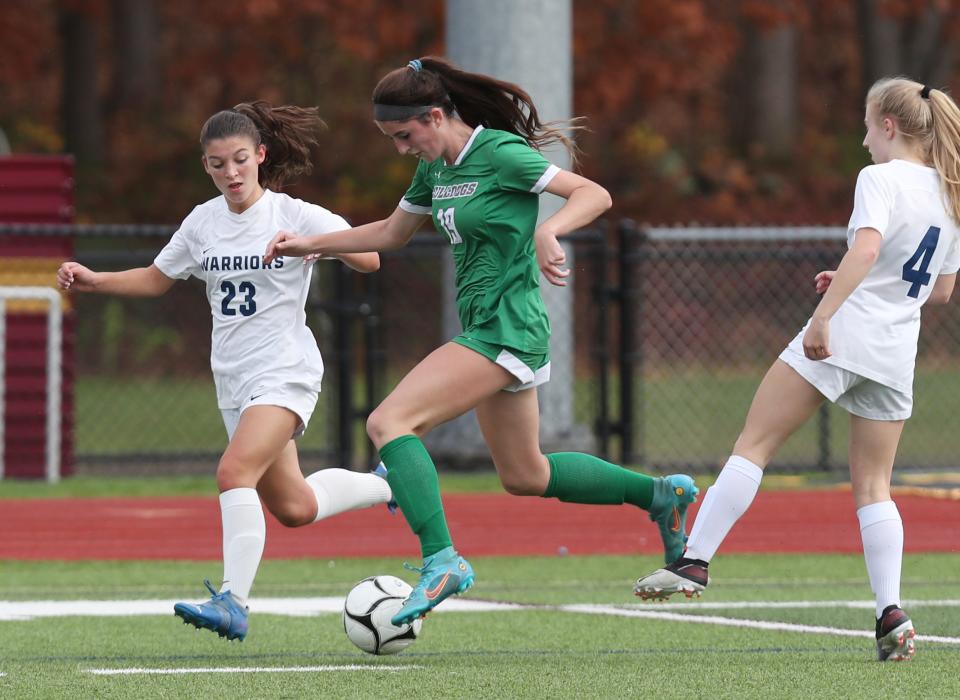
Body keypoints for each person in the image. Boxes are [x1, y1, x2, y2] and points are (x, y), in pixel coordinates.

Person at [263, 56, 699, 626]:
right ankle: (661, 496)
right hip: (488, 328)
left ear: (436, 115)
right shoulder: (435, 169)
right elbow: (391, 234)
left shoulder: (498, 153)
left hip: (508, 325)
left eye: (404, 135)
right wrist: (309, 245)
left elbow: (593, 195)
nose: (400, 149)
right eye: (391, 139)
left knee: (388, 423)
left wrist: (549, 229)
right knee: (526, 475)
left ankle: (442, 559)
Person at [635, 77, 960, 662]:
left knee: (753, 444)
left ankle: (694, 562)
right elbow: (938, 292)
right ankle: (890, 611)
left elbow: (865, 249)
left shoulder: (879, 178)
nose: (863, 141)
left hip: (846, 333)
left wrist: (823, 315)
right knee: (874, 487)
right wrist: (857, 284)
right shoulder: (949, 191)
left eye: (866, 126)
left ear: (889, 126)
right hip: (895, 352)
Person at [56, 102, 395, 642]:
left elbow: (370, 258)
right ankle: (386, 485)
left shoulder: (294, 214)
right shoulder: (202, 222)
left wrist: (310, 246)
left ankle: (233, 603)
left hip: (285, 371)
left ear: (260, 155)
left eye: (240, 159)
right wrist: (95, 281)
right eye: (218, 164)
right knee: (294, 506)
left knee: (233, 473)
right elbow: (154, 278)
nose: (231, 173)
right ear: (206, 166)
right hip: (233, 381)